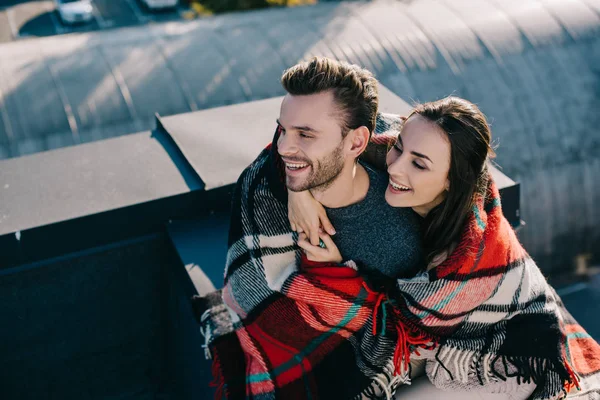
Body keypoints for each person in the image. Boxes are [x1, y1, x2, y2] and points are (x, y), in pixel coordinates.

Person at [287, 96, 600, 399]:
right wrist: (298, 191)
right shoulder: (412, 138)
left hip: (507, 349)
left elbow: (396, 333)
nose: (396, 168)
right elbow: (300, 128)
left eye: (419, 165)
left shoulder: (464, 259)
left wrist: (340, 267)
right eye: (399, 147)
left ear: (452, 180)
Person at [192, 56, 426, 399]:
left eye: (305, 134)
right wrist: (296, 189)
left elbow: (396, 333)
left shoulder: (396, 235)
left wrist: (333, 276)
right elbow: (249, 294)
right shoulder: (263, 183)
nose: (284, 147)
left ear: (356, 143)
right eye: (283, 130)